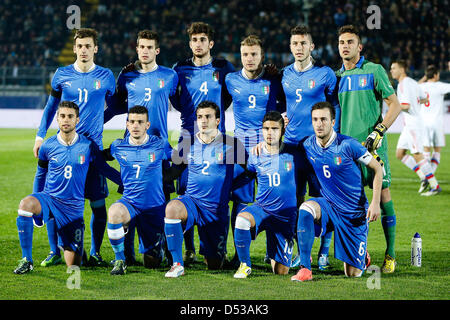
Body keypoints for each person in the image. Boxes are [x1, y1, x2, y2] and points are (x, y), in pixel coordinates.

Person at [33, 28, 116, 267]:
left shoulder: (106, 76)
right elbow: (51, 108)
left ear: (95, 49)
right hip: (66, 148)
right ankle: (54, 251)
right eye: (80, 46)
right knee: (56, 199)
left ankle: (97, 252)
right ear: (74, 48)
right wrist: (40, 136)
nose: (84, 50)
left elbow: (115, 105)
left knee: (98, 203)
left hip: (93, 151)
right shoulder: (61, 75)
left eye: (88, 46)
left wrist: (101, 120)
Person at [14, 101, 121, 274]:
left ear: (77, 120)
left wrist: (127, 183)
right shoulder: (47, 146)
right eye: (62, 116)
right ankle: (27, 260)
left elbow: (105, 169)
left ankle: (72, 247)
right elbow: (40, 175)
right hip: (50, 199)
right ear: (57, 118)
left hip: (73, 209)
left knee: (74, 264)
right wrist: (37, 203)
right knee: (25, 205)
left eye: (70, 116)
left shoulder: (88, 146)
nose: (66, 120)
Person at [103, 30, 179, 265]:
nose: (145, 51)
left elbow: (180, 104)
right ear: (136, 49)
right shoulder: (127, 76)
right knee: (129, 195)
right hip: (131, 148)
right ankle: (126, 255)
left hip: (160, 148)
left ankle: (161, 248)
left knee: (161, 200)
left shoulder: (170, 76)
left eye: (149, 47)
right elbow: (116, 105)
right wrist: (96, 122)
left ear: (156, 50)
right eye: (141, 47)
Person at [335, 25, 402, 273]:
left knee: (384, 200)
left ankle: (391, 254)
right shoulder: (336, 77)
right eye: (342, 41)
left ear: (359, 46)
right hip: (347, 152)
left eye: (350, 41)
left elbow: (395, 105)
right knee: (354, 205)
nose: (345, 46)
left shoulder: (374, 70)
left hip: (374, 148)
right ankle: (361, 252)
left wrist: (380, 130)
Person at [291, 102, 383, 281]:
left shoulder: (348, 145)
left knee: (352, 274)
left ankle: (361, 257)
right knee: (305, 209)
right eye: (315, 119)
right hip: (329, 206)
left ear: (333, 122)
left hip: (353, 214)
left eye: (324, 119)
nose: (319, 124)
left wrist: (375, 202)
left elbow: (377, 168)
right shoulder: (308, 144)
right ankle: (305, 268)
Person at [173, 22, 235, 263]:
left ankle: (218, 246)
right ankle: (188, 249)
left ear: (211, 43)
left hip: (219, 141)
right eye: (194, 40)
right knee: (185, 190)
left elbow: (230, 95)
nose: (198, 44)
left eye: (202, 39)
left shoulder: (223, 68)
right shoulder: (180, 68)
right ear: (190, 43)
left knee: (222, 193)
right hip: (188, 138)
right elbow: (176, 99)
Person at [163, 101, 246, 278]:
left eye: (208, 116)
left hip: (215, 209)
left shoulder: (232, 144)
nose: (203, 121)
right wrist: (151, 172)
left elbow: (252, 170)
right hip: (192, 202)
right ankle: (177, 264)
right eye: (200, 117)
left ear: (217, 120)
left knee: (214, 265)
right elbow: (172, 173)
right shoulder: (187, 143)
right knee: (171, 208)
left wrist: (231, 186)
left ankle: (217, 254)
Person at [224, 35, 284, 266]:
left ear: (261, 56)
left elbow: (286, 105)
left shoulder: (272, 80)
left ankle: (273, 253)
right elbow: (218, 105)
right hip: (240, 149)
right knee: (238, 202)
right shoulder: (230, 80)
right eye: (246, 54)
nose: (249, 59)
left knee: (271, 200)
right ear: (240, 56)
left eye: (254, 54)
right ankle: (240, 255)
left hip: (269, 149)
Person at [103, 106, 173, 275]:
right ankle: (120, 260)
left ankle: (160, 247)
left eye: (140, 122)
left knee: (152, 263)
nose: (135, 125)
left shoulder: (159, 144)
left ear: (147, 125)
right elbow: (99, 159)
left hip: (154, 207)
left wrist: (164, 179)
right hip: (130, 204)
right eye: (132, 121)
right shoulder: (118, 146)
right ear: (127, 124)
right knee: (113, 212)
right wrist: (118, 178)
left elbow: (180, 160)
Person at [233, 111, 299, 278]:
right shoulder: (255, 155)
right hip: (262, 209)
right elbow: (249, 174)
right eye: (266, 128)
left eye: (275, 128)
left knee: (281, 271)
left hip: (284, 216)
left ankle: (277, 252)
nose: (270, 133)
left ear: (283, 131)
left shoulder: (295, 154)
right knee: (241, 220)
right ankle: (244, 265)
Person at [390, 60, 440, 196]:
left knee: (417, 155)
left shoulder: (402, 85)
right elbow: (424, 99)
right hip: (411, 125)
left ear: (402, 69)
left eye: (394, 68)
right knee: (400, 154)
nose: (391, 71)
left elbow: (406, 106)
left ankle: (434, 185)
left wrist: (393, 105)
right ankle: (423, 177)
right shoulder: (412, 82)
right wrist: (416, 101)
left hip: (413, 125)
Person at [418, 65, 450, 175]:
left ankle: (428, 176)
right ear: (435, 75)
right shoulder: (440, 86)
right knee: (437, 150)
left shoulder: (421, 86)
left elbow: (414, 88)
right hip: (437, 122)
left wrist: (424, 78)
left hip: (424, 122)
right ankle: (430, 176)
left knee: (426, 150)